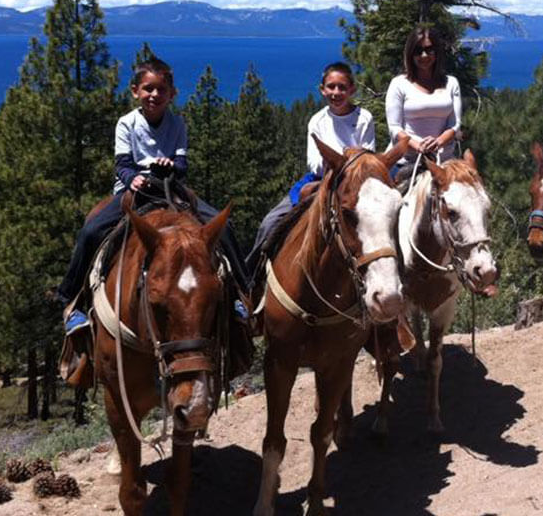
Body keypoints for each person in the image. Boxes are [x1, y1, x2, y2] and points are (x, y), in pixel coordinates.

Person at [55, 57, 248, 332]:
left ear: (172, 95)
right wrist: (133, 179)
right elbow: (122, 164)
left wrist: (171, 166)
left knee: (223, 226)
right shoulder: (127, 123)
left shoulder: (177, 124)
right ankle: (71, 301)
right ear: (135, 91)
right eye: (148, 89)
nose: (154, 95)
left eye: (161, 90)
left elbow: (182, 164)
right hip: (135, 191)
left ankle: (241, 294)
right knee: (90, 232)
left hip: (170, 188)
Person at [245, 62, 376, 278]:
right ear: (322, 89)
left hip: (354, 183)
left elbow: (367, 156)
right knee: (270, 222)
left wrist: (339, 162)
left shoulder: (363, 118)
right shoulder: (317, 121)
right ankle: (252, 280)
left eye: (342, 87)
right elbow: (314, 162)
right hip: (321, 178)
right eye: (331, 87)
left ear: (352, 89)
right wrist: (343, 160)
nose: (336, 93)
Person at [385, 26, 461, 178]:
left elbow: (455, 124)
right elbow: (394, 127)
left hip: (443, 161)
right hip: (406, 161)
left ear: (437, 52)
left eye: (429, 50)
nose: (424, 55)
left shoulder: (451, 83)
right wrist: (418, 146)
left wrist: (438, 142)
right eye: (418, 51)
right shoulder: (399, 84)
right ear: (410, 54)